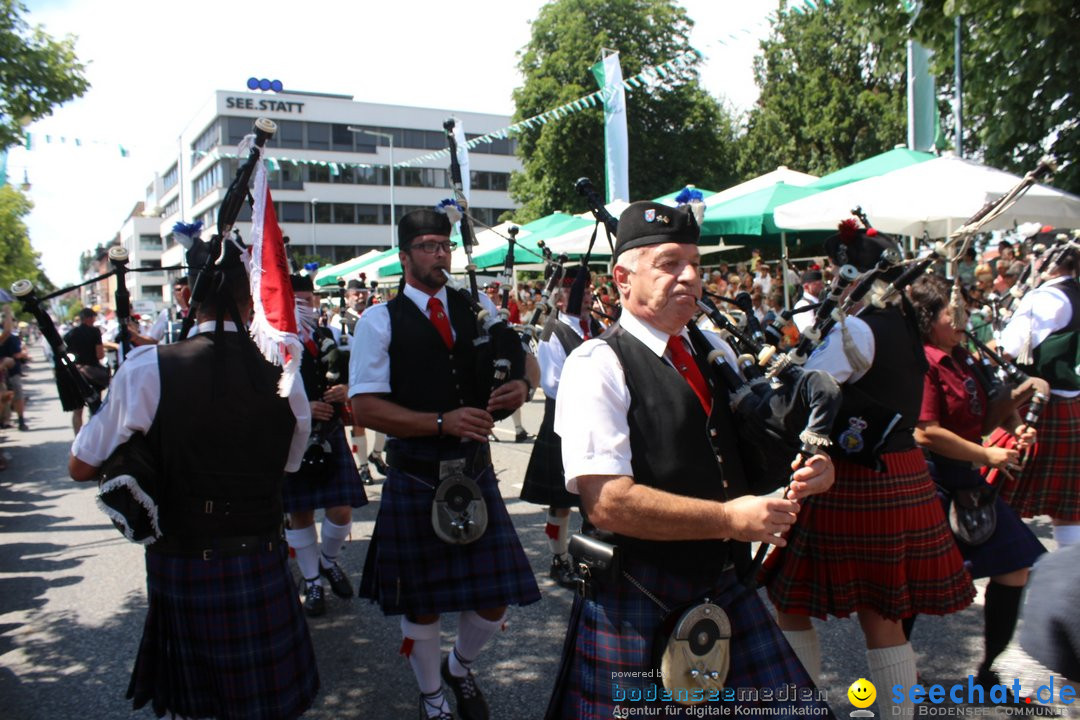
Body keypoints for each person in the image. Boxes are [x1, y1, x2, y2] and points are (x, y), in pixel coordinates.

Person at [548, 201, 836, 719]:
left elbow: (742, 456)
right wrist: (729, 519)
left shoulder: (713, 353)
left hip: (723, 583)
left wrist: (809, 467)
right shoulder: (596, 365)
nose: (689, 276)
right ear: (622, 277)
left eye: (695, 265)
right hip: (638, 596)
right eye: (668, 263)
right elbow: (607, 503)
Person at [67, 234, 319, 720]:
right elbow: (288, 464)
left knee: (196, 707)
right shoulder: (286, 373)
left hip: (184, 563)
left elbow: (81, 466)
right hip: (262, 557)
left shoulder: (147, 369)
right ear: (252, 297)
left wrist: (135, 444)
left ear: (187, 296)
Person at [762, 222, 974, 718]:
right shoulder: (902, 325)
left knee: (791, 600)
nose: (836, 280)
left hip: (847, 476)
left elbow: (808, 393)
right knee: (882, 616)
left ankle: (803, 712)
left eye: (840, 271)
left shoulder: (857, 328)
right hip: (900, 470)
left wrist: (785, 372)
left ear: (857, 273)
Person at [350, 207, 540, 720]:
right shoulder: (378, 321)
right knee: (424, 602)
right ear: (405, 255)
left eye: (445, 246)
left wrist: (524, 384)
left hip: (474, 470)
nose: (440, 256)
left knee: (496, 596)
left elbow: (526, 361)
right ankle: (432, 693)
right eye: (429, 246)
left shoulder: (476, 304)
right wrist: (442, 422)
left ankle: (459, 666)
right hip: (416, 472)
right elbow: (365, 407)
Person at [908, 274, 1047, 688]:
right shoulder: (924, 361)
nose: (964, 318)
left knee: (1015, 566)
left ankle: (988, 671)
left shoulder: (964, 355)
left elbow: (988, 411)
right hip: (930, 477)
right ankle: (898, 663)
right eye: (955, 312)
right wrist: (987, 454)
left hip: (965, 475)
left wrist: (1016, 420)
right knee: (916, 582)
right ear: (930, 318)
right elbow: (925, 431)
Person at [283, 273, 369, 617]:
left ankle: (327, 561)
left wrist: (346, 390)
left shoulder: (328, 334)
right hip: (294, 436)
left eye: (309, 300)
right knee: (300, 512)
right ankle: (313, 581)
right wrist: (299, 412)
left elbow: (355, 375)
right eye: (298, 301)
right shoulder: (271, 343)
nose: (305, 306)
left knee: (341, 509)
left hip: (329, 430)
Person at [988, 240, 1080, 547]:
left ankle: (1013, 570)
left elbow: (1006, 351)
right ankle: (1069, 579)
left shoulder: (1045, 298)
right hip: (1072, 406)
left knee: (998, 491)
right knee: (1069, 509)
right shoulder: (1075, 293)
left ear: (1050, 264)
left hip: (1037, 407)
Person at [519, 266, 601, 589]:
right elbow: (552, 385)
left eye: (590, 291)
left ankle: (593, 555)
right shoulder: (552, 330)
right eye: (580, 291)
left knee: (597, 492)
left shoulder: (593, 325)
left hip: (596, 419)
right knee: (562, 501)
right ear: (561, 295)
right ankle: (559, 559)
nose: (588, 296)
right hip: (563, 422)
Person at [62, 307, 106, 435]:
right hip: (92, 374)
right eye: (93, 317)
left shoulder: (70, 334)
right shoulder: (95, 332)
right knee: (96, 408)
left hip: (75, 373)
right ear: (89, 318)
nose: (94, 320)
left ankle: (78, 439)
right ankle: (95, 437)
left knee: (77, 411)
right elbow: (100, 355)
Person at [0, 306, 30, 430]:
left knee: (11, 396)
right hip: (6, 371)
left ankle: (19, 420)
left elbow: (6, 332)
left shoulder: (12, 336)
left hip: (8, 372)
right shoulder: (10, 335)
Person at [792, 266, 824, 336]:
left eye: (822, 283)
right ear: (806, 286)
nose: (822, 287)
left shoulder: (820, 300)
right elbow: (808, 332)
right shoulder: (803, 305)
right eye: (818, 284)